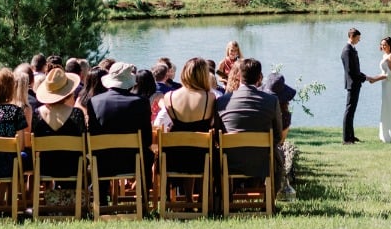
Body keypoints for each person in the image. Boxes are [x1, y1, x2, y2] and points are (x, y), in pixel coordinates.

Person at [216, 57, 289, 197]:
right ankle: (271, 197)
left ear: (238, 76)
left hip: (230, 161)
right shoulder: (271, 101)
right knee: (277, 152)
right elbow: (278, 136)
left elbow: (218, 134)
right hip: (262, 162)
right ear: (260, 77)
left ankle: (225, 198)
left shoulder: (222, 101)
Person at [86, 61, 153, 208]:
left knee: (97, 154)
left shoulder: (94, 101)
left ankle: (101, 199)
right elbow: (147, 139)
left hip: (103, 162)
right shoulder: (141, 102)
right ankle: (143, 200)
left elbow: (92, 133)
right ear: (129, 83)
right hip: (133, 161)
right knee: (148, 155)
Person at [155, 57, 218, 193]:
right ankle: (203, 197)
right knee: (203, 149)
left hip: (174, 156)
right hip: (201, 156)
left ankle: (188, 197)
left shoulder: (169, 97)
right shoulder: (210, 98)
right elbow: (213, 123)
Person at [29, 67, 87, 183]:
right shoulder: (76, 114)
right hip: (73, 167)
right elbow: (84, 143)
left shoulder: (37, 114)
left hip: (45, 167)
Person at [340, 28, 378, 144]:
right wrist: (366, 78)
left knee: (352, 111)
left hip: (356, 83)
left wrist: (366, 77)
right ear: (352, 36)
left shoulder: (352, 49)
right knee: (349, 110)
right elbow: (351, 71)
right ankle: (346, 139)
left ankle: (351, 136)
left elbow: (356, 70)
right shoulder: (347, 51)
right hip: (352, 84)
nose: (359, 40)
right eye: (358, 38)